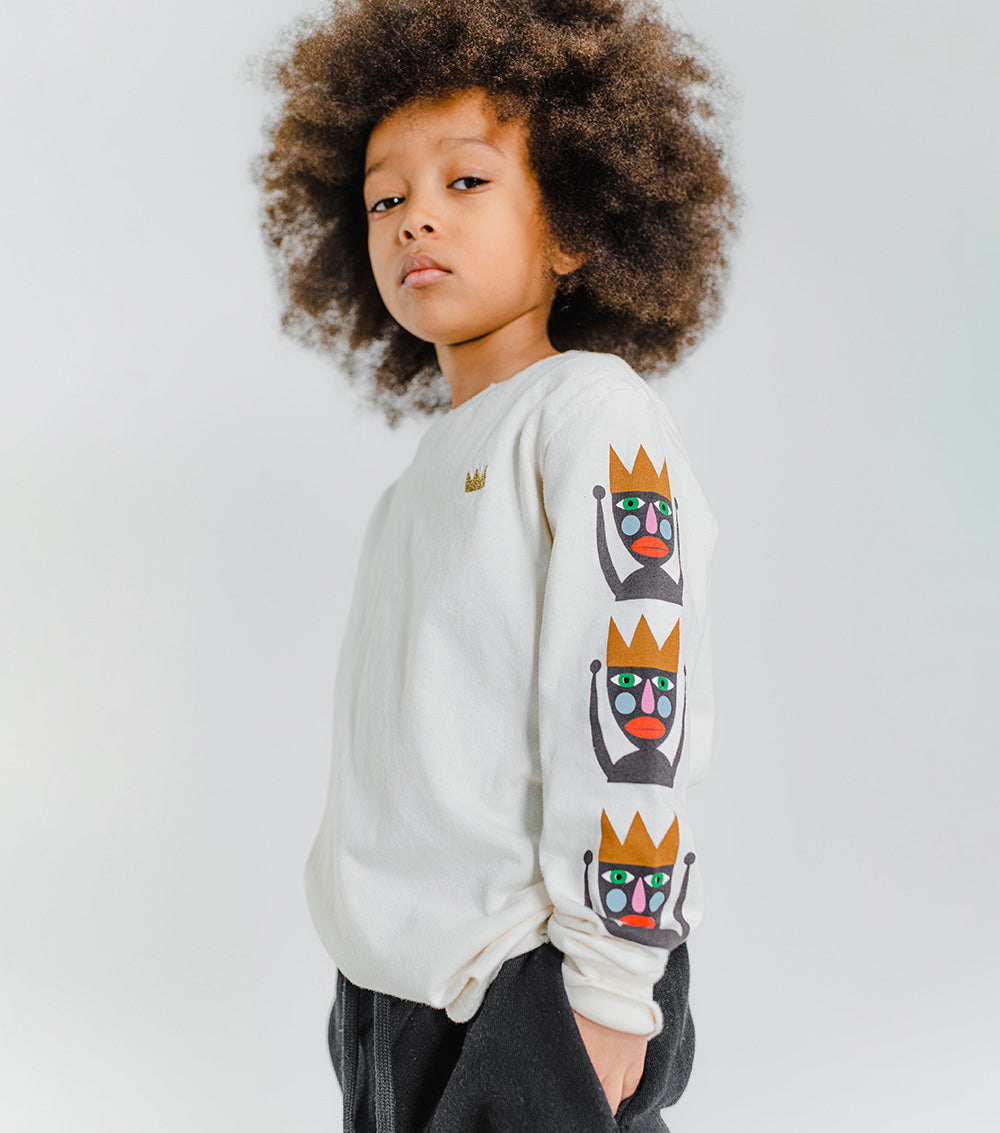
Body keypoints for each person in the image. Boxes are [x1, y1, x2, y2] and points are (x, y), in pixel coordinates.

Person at [251, 1, 742, 1128]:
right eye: (385, 199)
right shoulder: (415, 484)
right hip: (392, 995)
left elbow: (637, 693)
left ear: (572, 225)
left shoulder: (591, 414)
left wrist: (612, 983)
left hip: (530, 986)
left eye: (465, 181)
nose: (415, 217)